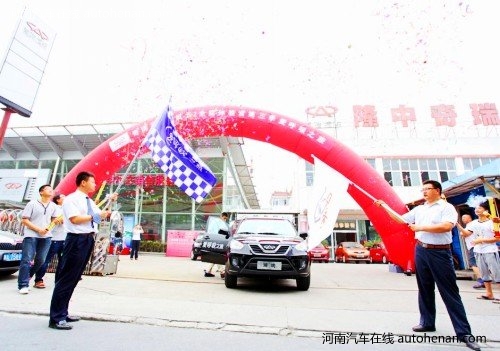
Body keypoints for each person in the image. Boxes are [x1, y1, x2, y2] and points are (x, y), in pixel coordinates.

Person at [375, 180, 480, 351]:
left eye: (427, 189)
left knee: (449, 291)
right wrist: (384, 206)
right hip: (421, 250)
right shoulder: (420, 208)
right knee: (424, 288)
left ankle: (464, 333)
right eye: (422, 189)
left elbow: (447, 226)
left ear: (437, 191)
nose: (424, 192)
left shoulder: (446, 207)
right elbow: (401, 220)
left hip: (440, 252)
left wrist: (421, 227)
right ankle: (427, 322)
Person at [48, 171, 116, 330]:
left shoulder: (88, 201)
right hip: (76, 240)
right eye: (92, 182)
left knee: (75, 277)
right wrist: (96, 216)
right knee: (66, 278)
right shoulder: (71, 199)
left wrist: (109, 203)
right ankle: (56, 317)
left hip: (87, 239)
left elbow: (97, 214)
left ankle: (63, 312)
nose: (94, 184)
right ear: (83, 182)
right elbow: (75, 219)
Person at [18, 184, 59, 294]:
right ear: (41, 192)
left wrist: (53, 224)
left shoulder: (53, 206)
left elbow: (54, 220)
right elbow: (24, 220)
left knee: (41, 260)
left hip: (46, 237)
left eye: (52, 190)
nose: (51, 191)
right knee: (27, 260)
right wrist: (38, 229)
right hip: (31, 235)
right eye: (48, 189)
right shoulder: (32, 204)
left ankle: (28, 276)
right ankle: (23, 285)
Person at [462, 202, 500, 301]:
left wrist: (481, 240)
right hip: (478, 251)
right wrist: (457, 224)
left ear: (486, 210)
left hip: (490, 250)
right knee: (484, 273)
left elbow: (497, 238)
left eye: (479, 208)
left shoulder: (493, 222)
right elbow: (466, 233)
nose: (477, 210)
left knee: (497, 272)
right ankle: (489, 293)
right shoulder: (473, 223)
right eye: (476, 208)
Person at [33, 194, 66, 288]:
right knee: (45, 260)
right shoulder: (55, 208)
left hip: (64, 239)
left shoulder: (67, 208)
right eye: (64, 197)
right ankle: (38, 280)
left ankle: (59, 282)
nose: (66, 198)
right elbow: (59, 220)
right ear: (58, 200)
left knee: (63, 261)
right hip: (53, 239)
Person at [457, 214, 484, 289]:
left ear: (469, 218)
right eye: (462, 217)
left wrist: (458, 226)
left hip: (474, 246)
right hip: (475, 246)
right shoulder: (470, 225)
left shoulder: (472, 224)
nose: (462, 219)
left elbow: (465, 233)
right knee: (479, 264)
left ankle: (481, 280)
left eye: (464, 217)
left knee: (473, 264)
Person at [204, 212, 229, 278]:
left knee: (214, 257)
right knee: (217, 256)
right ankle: (222, 272)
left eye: (226, 219)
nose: (225, 220)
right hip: (216, 241)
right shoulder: (219, 223)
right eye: (224, 218)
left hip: (213, 240)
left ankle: (208, 271)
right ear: (222, 216)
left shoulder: (216, 222)